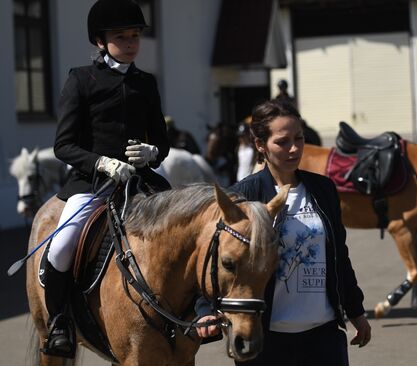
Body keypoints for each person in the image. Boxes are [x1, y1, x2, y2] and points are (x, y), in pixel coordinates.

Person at [195, 99, 371, 366]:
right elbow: (214, 258)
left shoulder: (323, 189)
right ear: (260, 145)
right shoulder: (243, 196)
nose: (294, 148)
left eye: (299, 138)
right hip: (266, 337)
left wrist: (356, 310)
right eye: (282, 141)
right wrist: (205, 310)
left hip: (323, 335)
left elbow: (339, 255)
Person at [43, 0, 170, 357]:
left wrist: (153, 153)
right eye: (121, 37)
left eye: (135, 36)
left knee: (185, 228)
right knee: (63, 244)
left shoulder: (146, 82)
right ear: (100, 41)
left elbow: (162, 140)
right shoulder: (81, 79)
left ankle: (199, 311)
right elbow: (63, 145)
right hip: (93, 184)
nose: (130, 43)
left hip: (142, 182)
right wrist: (102, 163)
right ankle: (58, 322)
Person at [236, 117, 256, 181]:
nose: (242, 138)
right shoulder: (238, 148)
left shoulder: (253, 148)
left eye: (243, 136)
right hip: (239, 179)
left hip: (250, 179)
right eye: (240, 136)